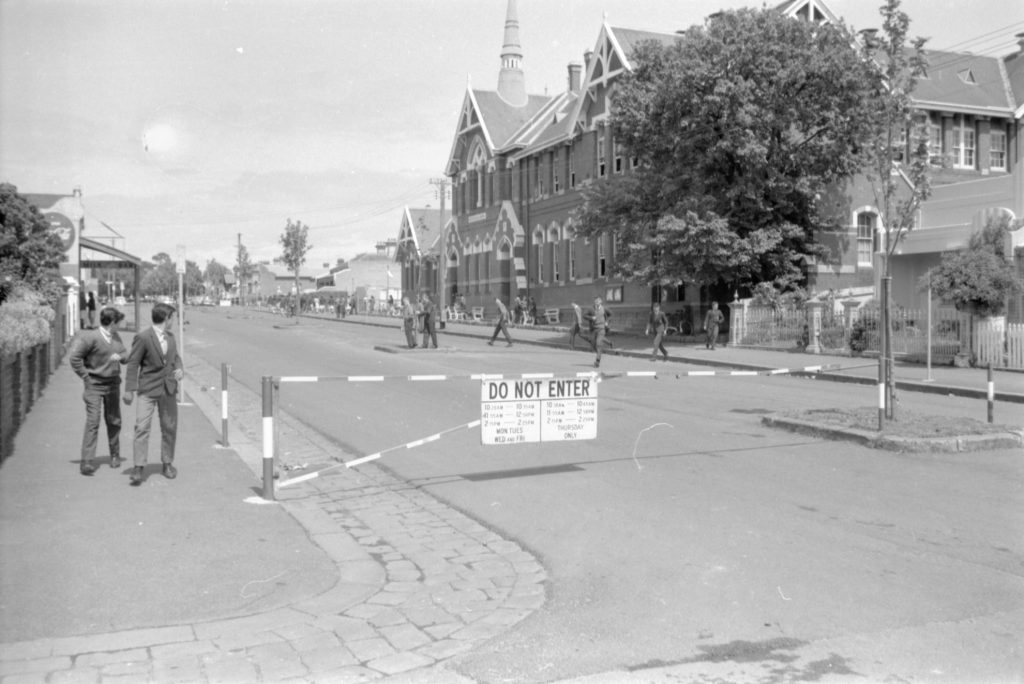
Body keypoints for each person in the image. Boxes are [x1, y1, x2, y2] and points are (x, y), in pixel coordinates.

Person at [123, 302, 183, 486]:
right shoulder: (143, 337)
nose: (174, 321)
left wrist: (180, 369)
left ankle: (167, 463)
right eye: (172, 317)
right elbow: (133, 363)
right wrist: (129, 390)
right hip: (148, 389)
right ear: (166, 318)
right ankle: (139, 467)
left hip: (168, 389)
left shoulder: (171, 338)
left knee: (169, 427)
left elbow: (176, 359)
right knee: (141, 427)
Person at [69, 306, 128, 475]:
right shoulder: (91, 338)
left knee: (114, 420)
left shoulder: (116, 337)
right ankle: (87, 461)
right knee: (93, 421)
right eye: (118, 322)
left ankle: (115, 455)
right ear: (111, 322)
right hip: (94, 385)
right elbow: (75, 358)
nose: (120, 325)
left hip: (113, 385)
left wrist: (122, 357)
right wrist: (86, 377)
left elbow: (125, 354)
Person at [588, 297, 610, 368]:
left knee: (598, 344)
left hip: (601, 329)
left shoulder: (604, 309)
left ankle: (597, 361)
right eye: (595, 301)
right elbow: (585, 316)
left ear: (601, 302)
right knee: (593, 344)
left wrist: (606, 322)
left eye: (598, 301)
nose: (596, 302)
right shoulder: (592, 309)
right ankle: (599, 352)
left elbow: (608, 315)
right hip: (594, 329)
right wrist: (591, 318)